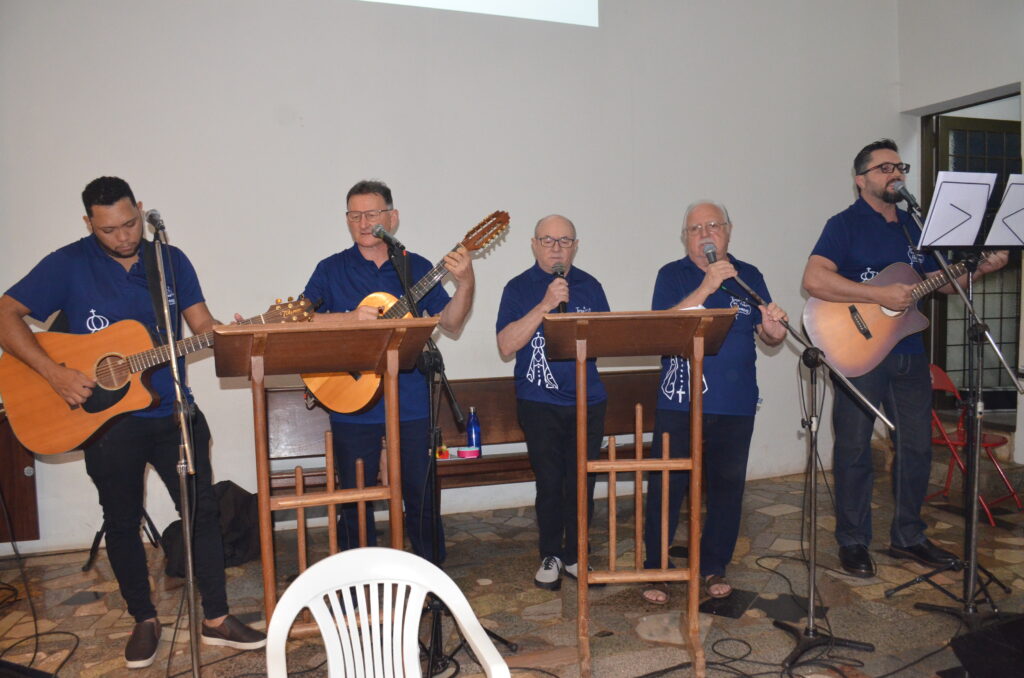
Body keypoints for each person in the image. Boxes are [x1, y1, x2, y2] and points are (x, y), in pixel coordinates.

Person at [0, 177, 266, 669]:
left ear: (142, 210)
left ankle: (217, 618)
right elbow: (6, 314)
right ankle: (143, 619)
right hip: (108, 424)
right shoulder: (68, 264)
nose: (123, 237)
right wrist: (54, 373)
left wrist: (233, 332)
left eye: (130, 223)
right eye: (109, 230)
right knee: (120, 521)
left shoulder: (169, 259)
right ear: (88, 224)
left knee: (202, 512)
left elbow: (201, 323)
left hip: (174, 412)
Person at [802, 139, 1008, 577]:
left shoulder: (917, 228)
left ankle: (909, 536)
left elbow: (943, 282)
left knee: (915, 447)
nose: (895, 173)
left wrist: (979, 268)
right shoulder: (845, 224)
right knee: (855, 448)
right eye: (884, 168)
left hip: (909, 351)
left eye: (900, 166)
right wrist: (877, 294)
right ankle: (853, 540)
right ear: (861, 181)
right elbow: (815, 279)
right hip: (858, 351)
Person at [302, 179, 474, 564]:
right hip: (353, 405)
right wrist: (347, 318)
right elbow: (298, 318)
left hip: (411, 402)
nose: (364, 223)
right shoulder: (330, 269)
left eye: (373, 214)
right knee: (356, 500)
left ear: (392, 219)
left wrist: (466, 283)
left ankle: (430, 578)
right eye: (355, 215)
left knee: (422, 494)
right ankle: (359, 576)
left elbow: (451, 323)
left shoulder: (415, 267)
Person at [641, 201, 787, 604]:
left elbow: (770, 335)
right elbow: (661, 330)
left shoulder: (749, 275)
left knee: (726, 489)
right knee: (667, 486)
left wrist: (774, 329)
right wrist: (706, 288)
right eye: (695, 229)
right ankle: (657, 569)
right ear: (685, 237)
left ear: (729, 230)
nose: (705, 234)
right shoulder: (671, 275)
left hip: (735, 402)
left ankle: (713, 566)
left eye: (713, 225)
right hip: (680, 402)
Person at [496, 215, 610, 590]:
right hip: (539, 401)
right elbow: (506, 344)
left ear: (576, 246)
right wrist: (546, 303)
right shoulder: (518, 288)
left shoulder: (591, 287)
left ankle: (577, 554)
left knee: (581, 483)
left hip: (586, 402)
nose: (557, 248)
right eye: (548, 240)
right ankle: (550, 553)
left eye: (565, 241)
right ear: (533, 244)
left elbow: (608, 339)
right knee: (549, 482)